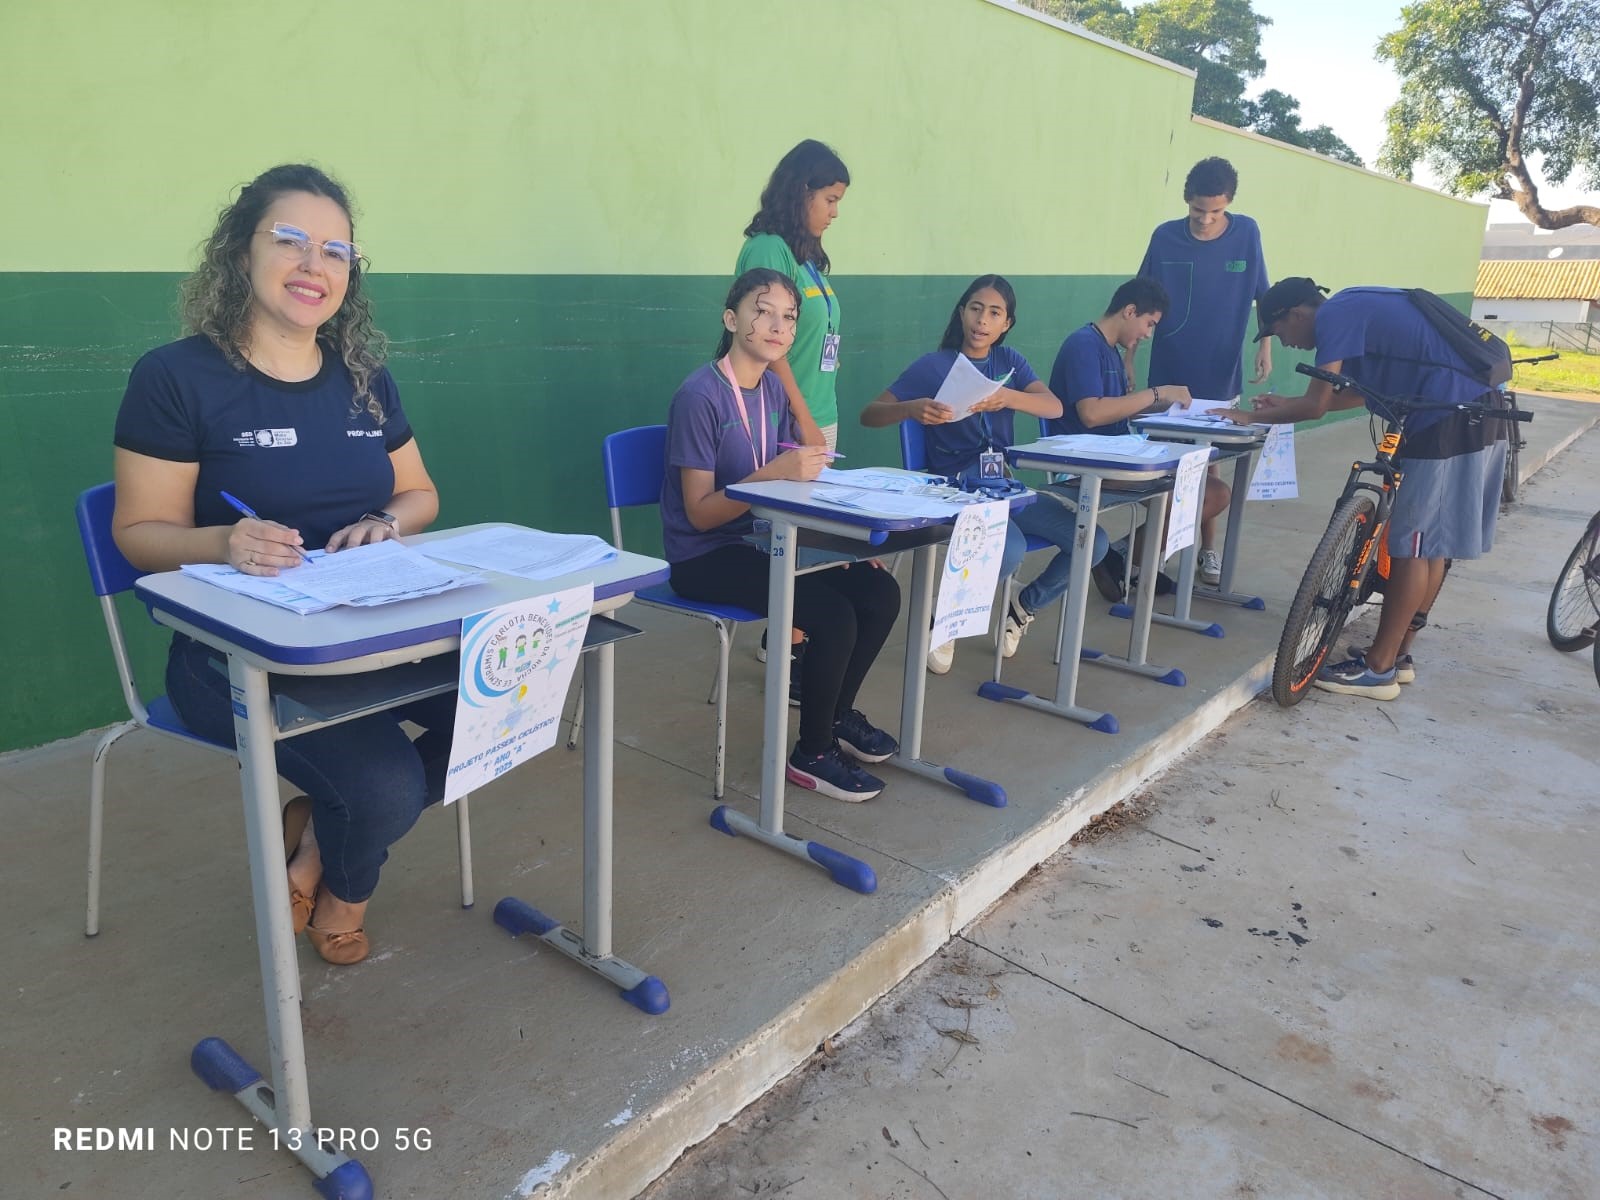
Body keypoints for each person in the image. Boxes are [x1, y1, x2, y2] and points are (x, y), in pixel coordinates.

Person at [111, 164, 445, 965]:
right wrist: (219, 541)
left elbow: (422, 495)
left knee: (512, 703)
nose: (314, 265)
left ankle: (319, 850)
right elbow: (138, 533)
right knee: (386, 784)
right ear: (238, 253)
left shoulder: (365, 378)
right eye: (289, 240)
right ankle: (345, 892)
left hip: (371, 634)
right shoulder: (176, 377)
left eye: (336, 251)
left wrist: (383, 521)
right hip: (232, 654)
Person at [662, 268, 902, 801]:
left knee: (877, 591)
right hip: (705, 555)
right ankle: (812, 753)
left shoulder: (771, 387)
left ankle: (836, 717)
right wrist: (770, 474)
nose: (777, 325)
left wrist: (788, 384)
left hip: (766, 539)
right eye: (762, 311)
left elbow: (814, 455)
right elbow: (700, 514)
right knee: (831, 612)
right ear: (731, 319)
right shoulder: (699, 396)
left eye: (788, 318)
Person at [1225, 277, 1507, 700]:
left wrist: (1250, 418)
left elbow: (1317, 405)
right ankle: (1398, 656)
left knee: (1411, 545)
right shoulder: (1357, 309)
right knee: (1427, 545)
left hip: (1450, 415)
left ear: (1297, 314)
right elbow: (1359, 396)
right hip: (1468, 410)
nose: (1284, 343)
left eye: (1278, 331)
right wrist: (1285, 403)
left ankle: (1379, 670)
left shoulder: (1337, 315)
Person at [861, 275, 1108, 673]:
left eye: (994, 313)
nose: (982, 320)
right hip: (956, 488)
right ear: (962, 313)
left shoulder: (1010, 362)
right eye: (976, 309)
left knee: (1092, 540)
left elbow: (1054, 407)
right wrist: (910, 409)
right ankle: (944, 621)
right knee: (1007, 551)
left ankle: (1022, 607)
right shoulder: (934, 365)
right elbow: (869, 414)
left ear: (1006, 323)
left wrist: (1008, 397)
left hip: (1004, 484)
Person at [735, 140, 851, 685]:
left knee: (815, 540)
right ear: (801, 189)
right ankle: (787, 648)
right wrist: (803, 418)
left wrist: (819, 417)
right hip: (788, 419)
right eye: (829, 198)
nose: (834, 211)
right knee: (793, 536)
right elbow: (771, 345)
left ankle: (792, 640)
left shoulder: (807, 256)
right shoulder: (768, 251)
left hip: (818, 414)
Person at [1047, 277, 1227, 598]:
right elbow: (1092, 414)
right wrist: (1156, 392)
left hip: (1119, 456)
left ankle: (1119, 556)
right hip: (1084, 463)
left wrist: (1165, 407)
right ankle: (1124, 562)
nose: (1147, 333)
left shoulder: (1111, 351)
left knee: (1214, 492)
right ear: (1130, 311)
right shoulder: (1083, 345)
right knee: (1184, 496)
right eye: (1149, 323)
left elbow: (1116, 412)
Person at [1136, 157, 1271, 584]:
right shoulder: (1164, 237)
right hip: (1168, 372)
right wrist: (1129, 356)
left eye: (1214, 212)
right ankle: (1152, 554)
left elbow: (1262, 294)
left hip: (1219, 373)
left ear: (1228, 204)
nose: (1206, 220)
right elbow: (1139, 300)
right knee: (1166, 468)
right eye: (1198, 211)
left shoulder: (1247, 232)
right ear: (1186, 202)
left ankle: (1206, 551)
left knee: (1209, 466)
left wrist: (1264, 346)